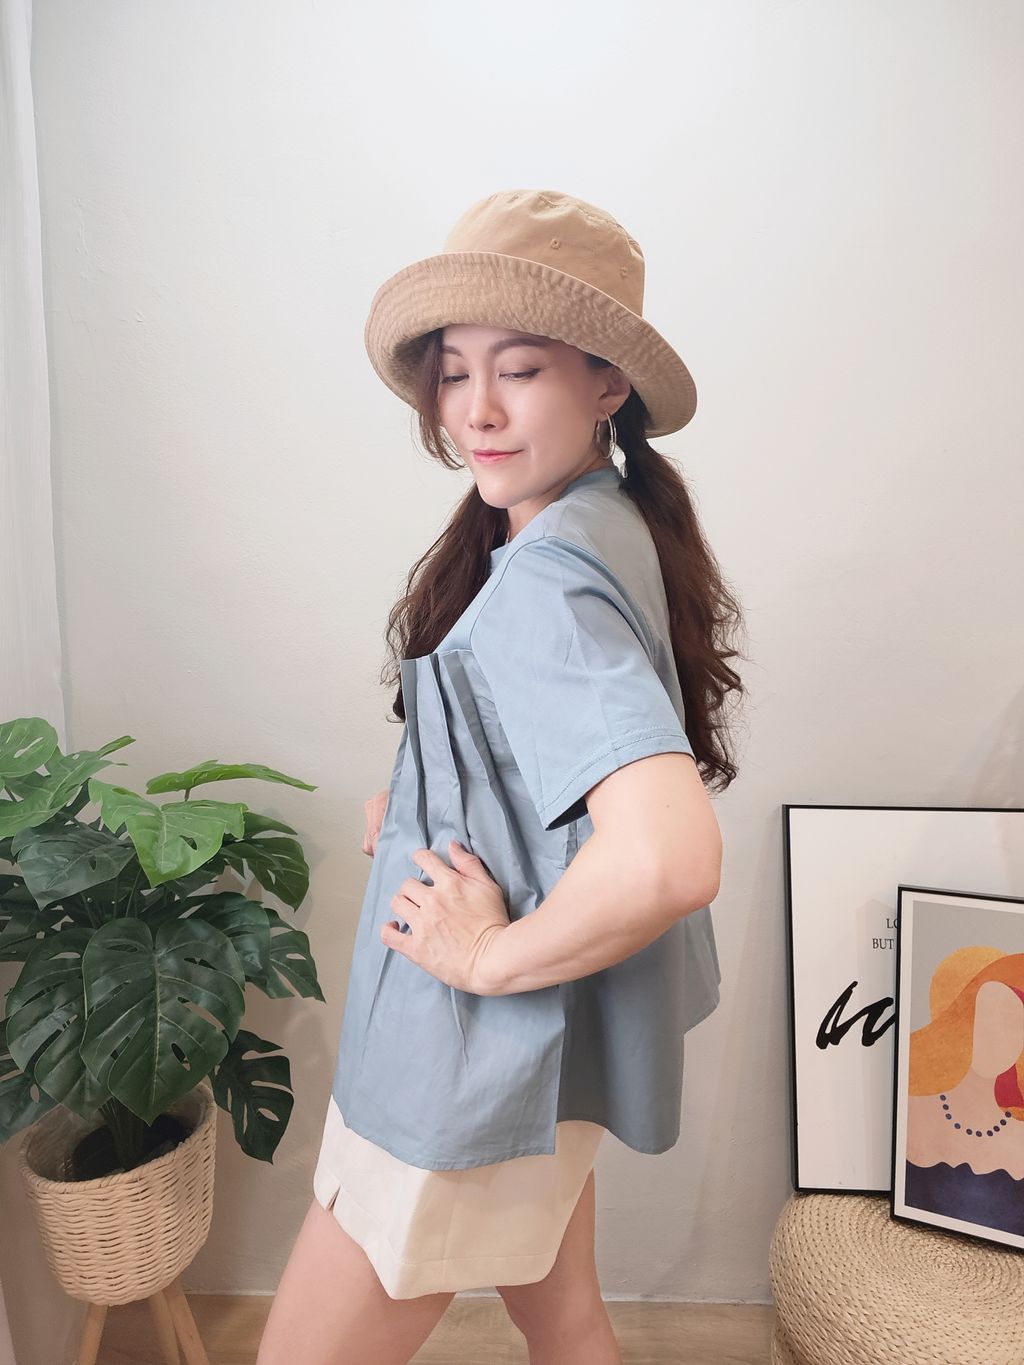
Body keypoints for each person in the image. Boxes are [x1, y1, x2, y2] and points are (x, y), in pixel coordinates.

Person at [257, 188, 746, 1365]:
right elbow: (559, 752)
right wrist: (443, 787)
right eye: (453, 372)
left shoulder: (547, 579)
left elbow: (671, 857)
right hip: (533, 1050)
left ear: (605, 384)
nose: (474, 410)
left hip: (475, 1055)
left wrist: (483, 956)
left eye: (519, 371)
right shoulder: (596, 514)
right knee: (560, 1317)